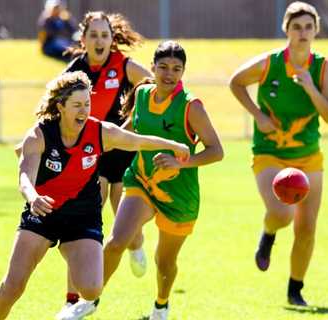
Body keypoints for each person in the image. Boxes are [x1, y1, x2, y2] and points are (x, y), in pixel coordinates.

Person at [0, 71, 190, 320]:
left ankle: (68, 247)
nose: (84, 111)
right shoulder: (39, 135)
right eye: (77, 105)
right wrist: (33, 197)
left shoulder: (100, 132)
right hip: (43, 212)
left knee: (91, 289)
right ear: (60, 107)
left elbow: (138, 141)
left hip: (82, 217)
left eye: (87, 104)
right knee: (12, 287)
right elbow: (24, 176)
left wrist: (173, 146)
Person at [64, 41, 224, 320]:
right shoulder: (142, 95)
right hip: (141, 182)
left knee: (165, 261)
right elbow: (128, 132)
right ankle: (90, 300)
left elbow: (216, 151)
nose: (169, 74)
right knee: (116, 241)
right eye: (163, 67)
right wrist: (96, 147)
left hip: (179, 195)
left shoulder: (190, 107)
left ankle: (161, 306)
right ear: (152, 67)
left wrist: (181, 162)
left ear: (183, 71)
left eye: (176, 68)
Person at [229, 1, 328, 306]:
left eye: (308, 27)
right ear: (286, 30)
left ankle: (295, 290)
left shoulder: (324, 68)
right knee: (282, 212)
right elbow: (235, 83)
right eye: (296, 27)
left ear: (316, 30)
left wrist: (311, 89)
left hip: (308, 157)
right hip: (270, 154)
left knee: (306, 228)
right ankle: (268, 233)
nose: (302, 33)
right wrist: (258, 116)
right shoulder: (269, 64)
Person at [55, 11, 153, 314]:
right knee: (83, 225)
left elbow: (153, 85)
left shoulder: (122, 66)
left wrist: (133, 117)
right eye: (93, 35)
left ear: (112, 40)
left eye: (104, 35)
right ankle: (72, 300)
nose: (99, 40)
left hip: (120, 148)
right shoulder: (75, 71)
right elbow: (52, 105)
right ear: (83, 40)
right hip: (89, 154)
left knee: (122, 215)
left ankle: (136, 244)